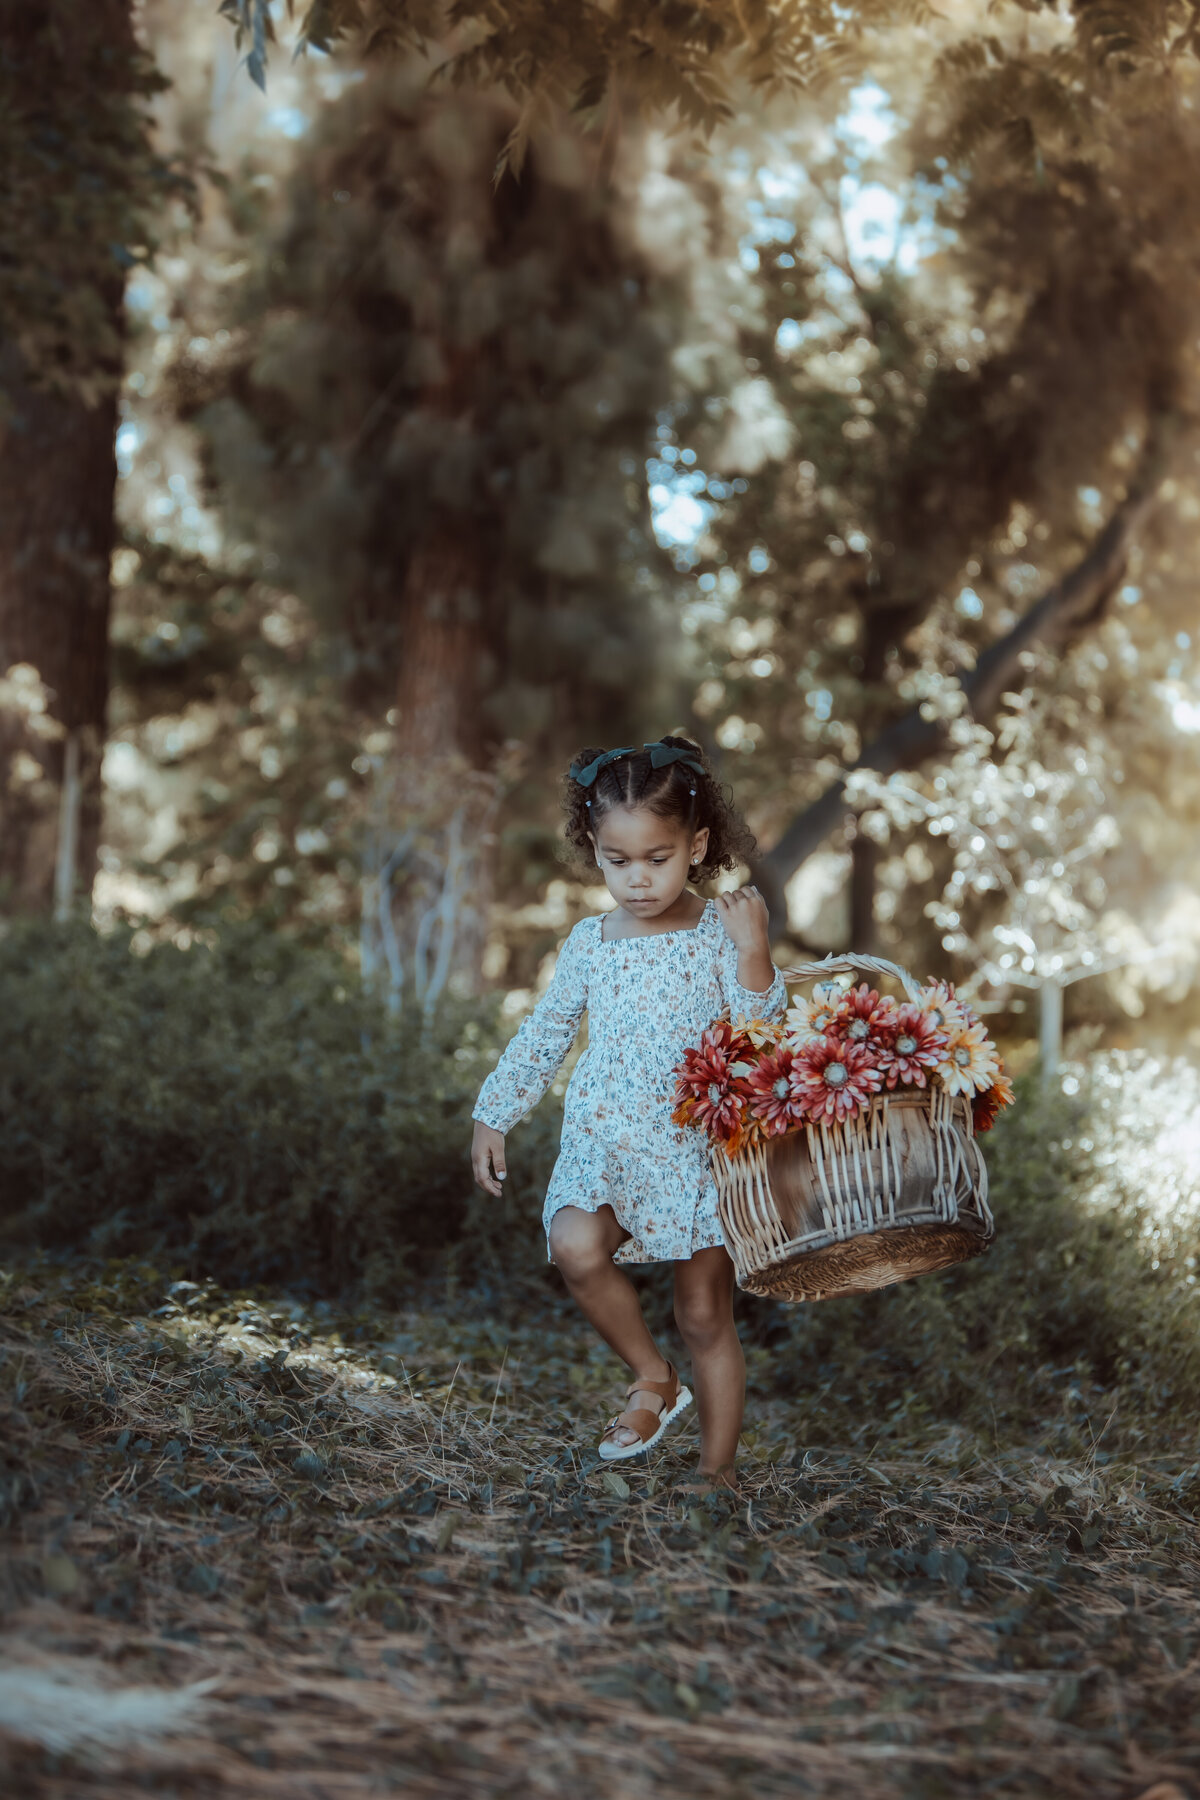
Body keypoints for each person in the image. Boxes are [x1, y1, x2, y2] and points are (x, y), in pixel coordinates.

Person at [470, 736, 785, 1491]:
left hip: (693, 1148)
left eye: (657, 858)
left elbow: (761, 1035)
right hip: (605, 1141)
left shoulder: (717, 933)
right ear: (595, 852)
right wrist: (495, 1113)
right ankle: (653, 1377)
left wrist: (753, 952)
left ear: (697, 845)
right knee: (574, 1244)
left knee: (705, 1313)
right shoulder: (591, 940)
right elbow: (546, 1033)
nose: (638, 880)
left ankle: (717, 1472)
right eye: (618, 861)